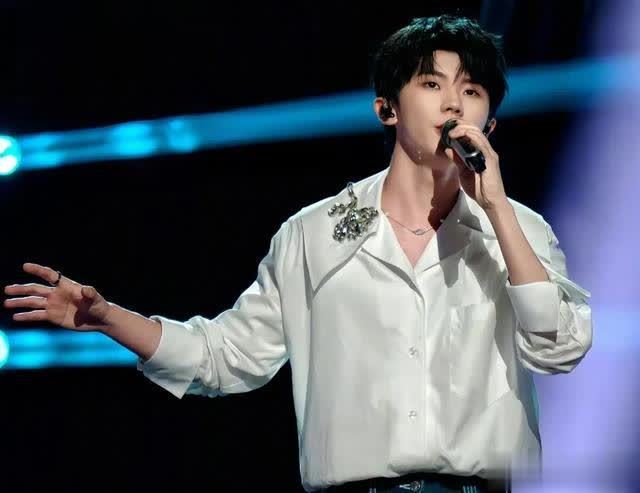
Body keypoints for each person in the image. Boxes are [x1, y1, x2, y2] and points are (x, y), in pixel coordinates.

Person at [3, 14, 592, 493]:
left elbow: (559, 347)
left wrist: (498, 210)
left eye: (472, 91)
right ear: (386, 108)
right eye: (432, 85)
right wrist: (108, 318)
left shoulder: (518, 231)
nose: (454, 106)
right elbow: (225, 357)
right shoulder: (312, 235)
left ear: (492, 121)